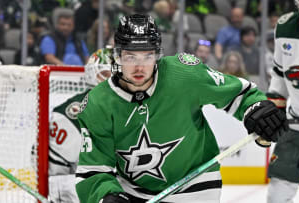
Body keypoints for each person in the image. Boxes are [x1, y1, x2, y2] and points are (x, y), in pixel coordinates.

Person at [75, 14, 288, 203]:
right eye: (131, 57)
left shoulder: (184, 74)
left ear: (157, 55)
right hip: (131, 190)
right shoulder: (97, 102)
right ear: (118, 56)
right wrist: (105, 196)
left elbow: (240, 94)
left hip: (194, 182)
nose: (139, 67)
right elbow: (93, 170)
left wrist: (256, 109)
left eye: (147, 56)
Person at [266, 1, 299, 203]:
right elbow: (279, 72)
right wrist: (274, 106)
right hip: (297, 128)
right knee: (276, 196)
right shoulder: (285, 26)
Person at [48, 47, 113, 203]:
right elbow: (55, 174)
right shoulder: (72, 112)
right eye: (105, 73)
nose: (113, 79)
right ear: (92, 74)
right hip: (75, 187)